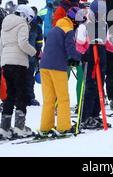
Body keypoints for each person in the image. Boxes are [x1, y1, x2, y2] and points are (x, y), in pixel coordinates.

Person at [76, 0, 113, 129]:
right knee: (91, 87)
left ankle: (95, 114)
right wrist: (85, 53)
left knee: (100, 87)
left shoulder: (104, 25)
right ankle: (85, 116)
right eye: (97, 14)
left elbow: (107, 43)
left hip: (101, 56)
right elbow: (79, 44)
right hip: (90, 57)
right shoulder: (84, 26)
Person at [39, 7, 82, 136]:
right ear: (73, 20)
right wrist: (81, 57)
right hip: (57, 67)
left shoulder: (55, 28)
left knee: (49, 99)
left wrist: (69, 59)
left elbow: (56, 48)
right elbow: (70, 48)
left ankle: (46, 126)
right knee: (63, 98)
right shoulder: (68, 30)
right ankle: (63, 127)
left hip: (44, 66)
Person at [0, 5, 37, 139]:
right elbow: (23, 44)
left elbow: (0, 48)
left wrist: (6, 59)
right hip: (19, 63)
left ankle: (5, 128)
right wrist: (34, 52)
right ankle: (20, 127)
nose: (29, 22)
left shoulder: (5, 24)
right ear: (25, 15)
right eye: (29, 19)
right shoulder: (22, 24)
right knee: (22, 94)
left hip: (6, 63)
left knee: (10, 95)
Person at [27, 6, 43, 106]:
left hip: (27, 57)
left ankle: (26, 97)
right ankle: (29, 98)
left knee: (26, 78)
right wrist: (38, 52)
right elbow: (39, 43)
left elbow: (39, 43)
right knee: (29, 78)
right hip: (31, 56)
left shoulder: (35, 26)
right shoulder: (36, 27)